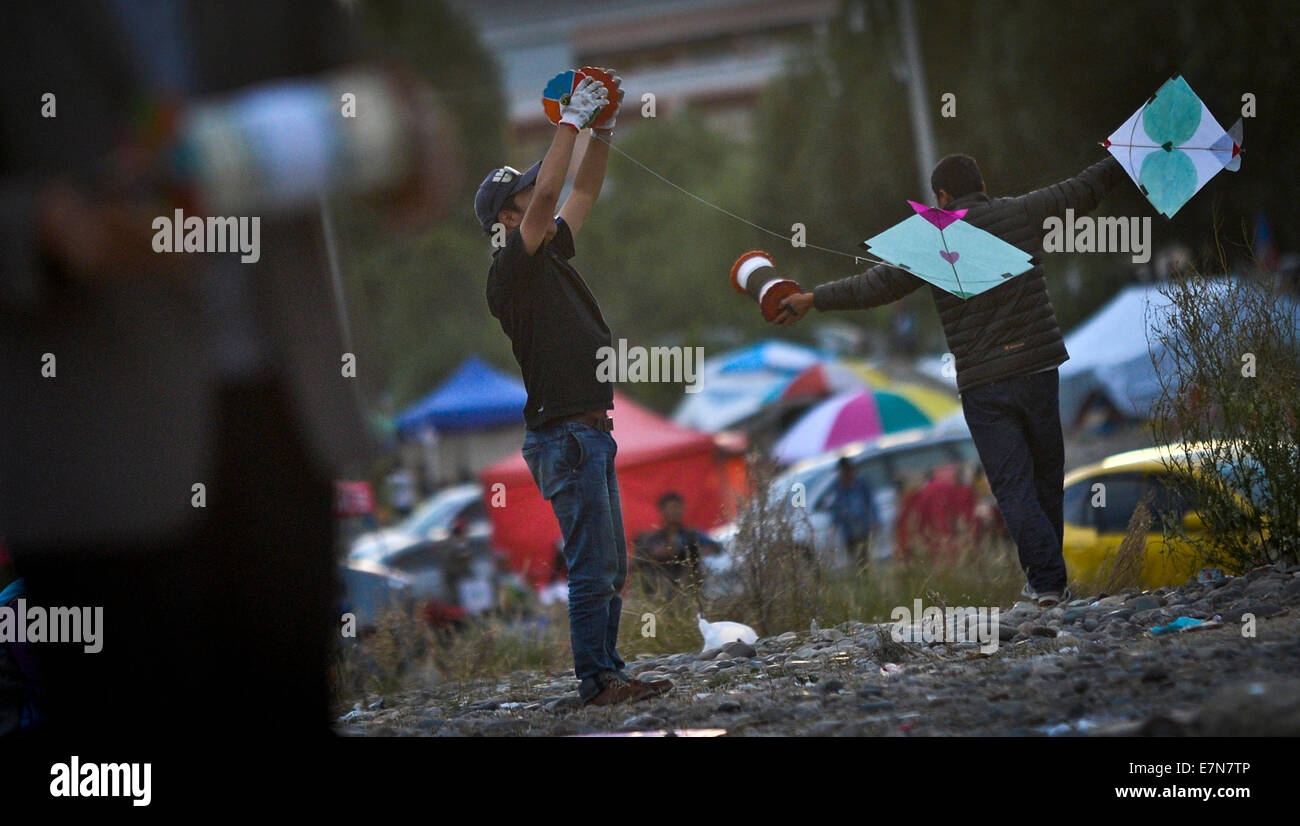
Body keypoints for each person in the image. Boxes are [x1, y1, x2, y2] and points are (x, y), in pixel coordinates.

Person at [778, 152, 1127, 607]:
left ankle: (1046, 583)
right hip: (1039, 370)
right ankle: (1049, 583)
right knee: (1045, 481)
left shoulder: (936, 243)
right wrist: (1132, 153)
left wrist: (812, 298)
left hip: (986, 385)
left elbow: (874, 287)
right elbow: (1086, 186)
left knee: (1014, 487)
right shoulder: (1023, 211)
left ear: (942, 197)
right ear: (980, 185)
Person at [479, 71, 671, 707]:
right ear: (507, 217)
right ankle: (597, 681)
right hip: (566, 436)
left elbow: (581, 187)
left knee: (608, 566)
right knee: (593, 566)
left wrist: (603, 128)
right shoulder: (511, 266)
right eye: (527, 196)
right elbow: (554, 189)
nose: (540, 197)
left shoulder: (547, 254)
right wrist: (568, 120)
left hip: (587, 432)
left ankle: (608, 671)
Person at [632, 492, 721, 593]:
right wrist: (654, 555)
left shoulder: (692, 535)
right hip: (658, 592)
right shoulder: (651, 539)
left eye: (678, 508)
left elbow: (715, 548)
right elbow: (636, 563)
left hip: (690, 589)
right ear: (662, 511)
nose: (675, 512)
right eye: (671, 508)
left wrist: (691, 550)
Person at [826, 458, 878, 566]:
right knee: (854, 556)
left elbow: (871, 503)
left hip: (863, 525)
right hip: (848, 529)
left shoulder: (861, 484)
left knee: (865, 554)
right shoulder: (837, 488)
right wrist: (834, 525)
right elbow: (836, 509)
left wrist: (875, 520)